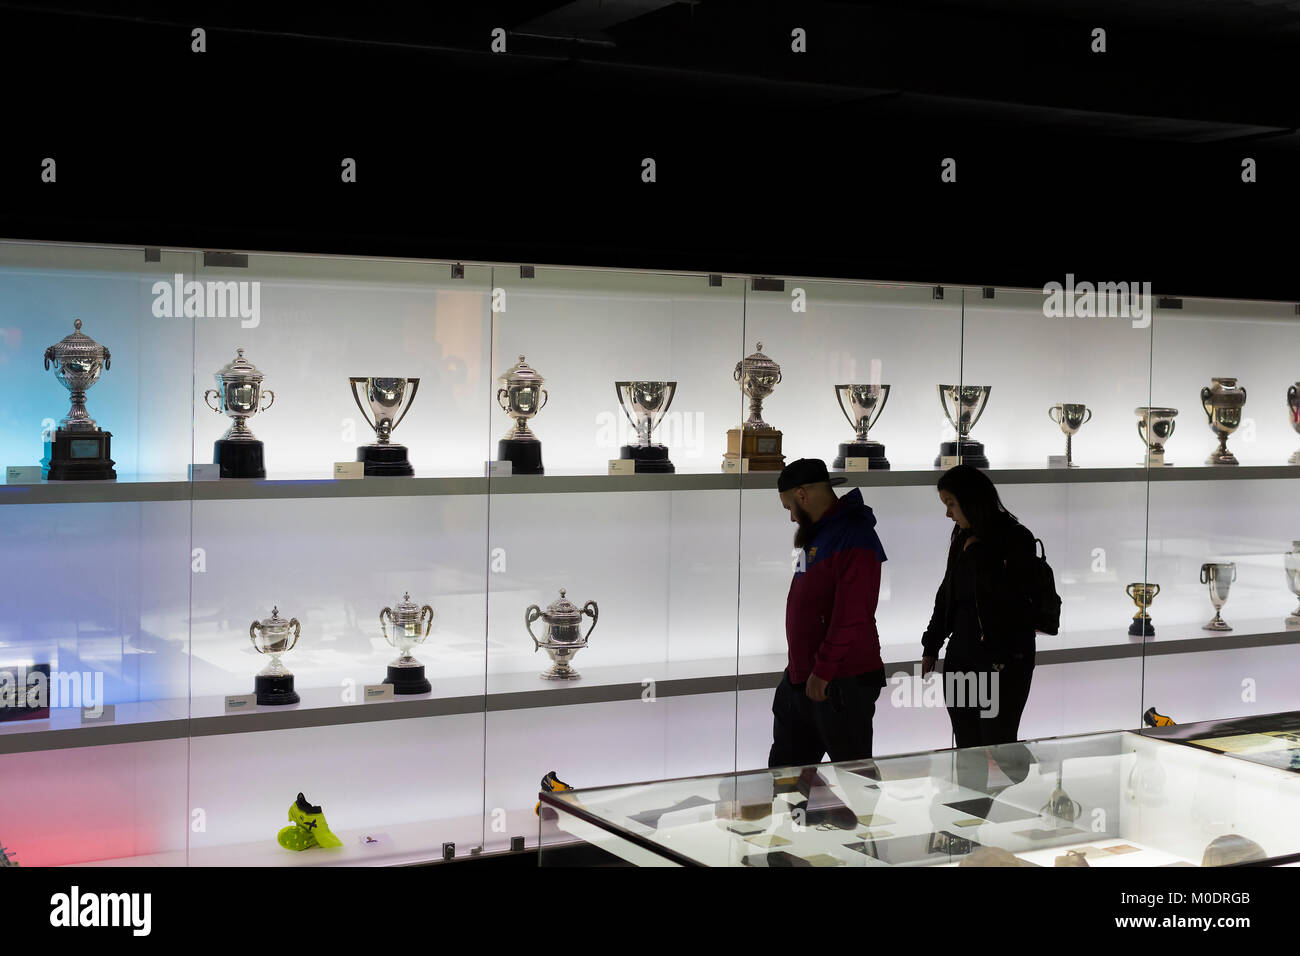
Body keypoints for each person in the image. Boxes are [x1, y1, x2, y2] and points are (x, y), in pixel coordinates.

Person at [769, 458, 888, 767]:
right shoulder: (820, 534)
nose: (791, 517)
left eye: (790, 507)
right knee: (786, 775)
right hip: (803, 679)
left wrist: (823, 671)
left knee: (854, 776)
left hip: (840, 683)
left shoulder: (854, 535)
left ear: (802, 495)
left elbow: (852, 613)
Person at [921, 464, 1038, 749]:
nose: (948, 513)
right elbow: (947, 594)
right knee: (966, 746)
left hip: (1003, 660)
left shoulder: (1016, 537)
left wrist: (976, 553)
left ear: (971, 500)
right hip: (962, 656)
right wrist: (931, 645)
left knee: (999, 745)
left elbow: (1008, 598)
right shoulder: (962, 536)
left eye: (951, 504)